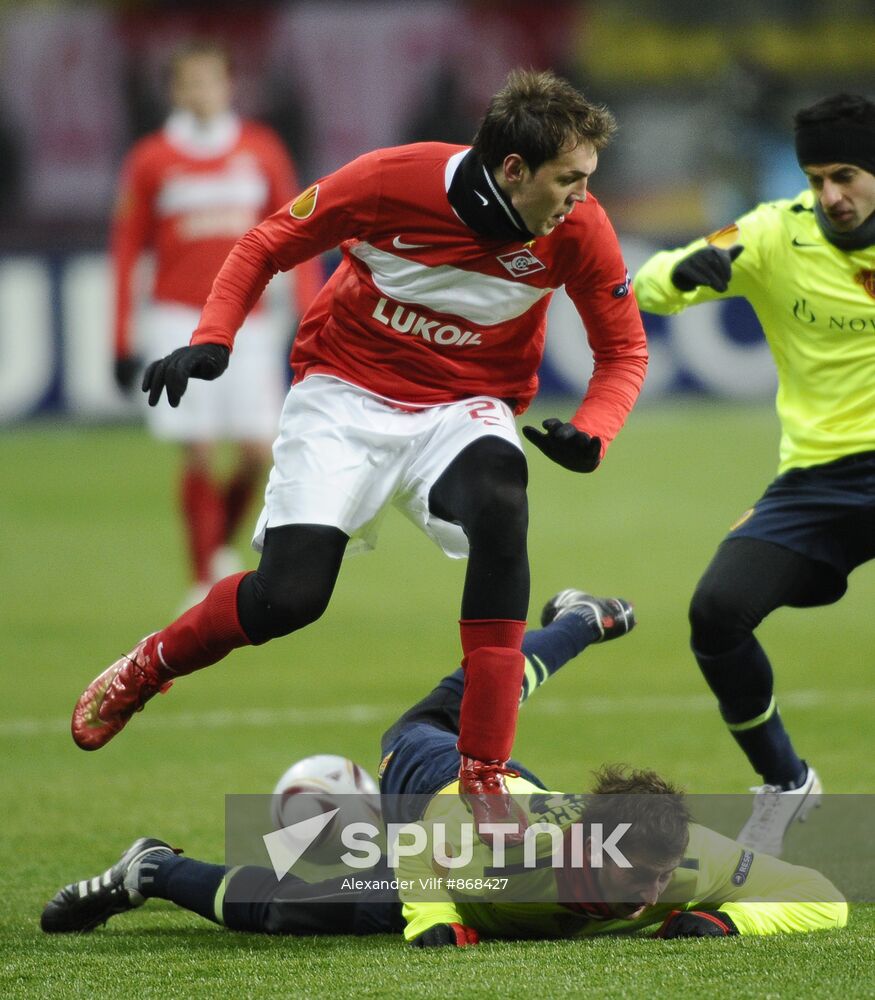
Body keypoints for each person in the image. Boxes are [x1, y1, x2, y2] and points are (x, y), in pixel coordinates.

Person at [72, 69, 649, 829]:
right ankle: (150, 665)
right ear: (513, 170)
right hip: (343, 396)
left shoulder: (579, 230)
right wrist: (213, 339)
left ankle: (481, 770)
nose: (581, 199)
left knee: (504, 504)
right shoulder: (391, 180)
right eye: (568, 180)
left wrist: (594, 432)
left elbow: (622, 354)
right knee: (289, 600)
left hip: (461, 411)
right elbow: (267, 242)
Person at [44, 590, 846, 942]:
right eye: (633, 877)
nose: (646, 896)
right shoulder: (513, 846)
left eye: (656, 879)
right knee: (436, 726)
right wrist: (435, 921)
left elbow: (821, 897)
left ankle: (153, 869)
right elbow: (434, 835)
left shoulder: (678, 862)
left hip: (495, 802)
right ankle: (152, 870)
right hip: (436, 787)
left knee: (313, 902)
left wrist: (730, 917)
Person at [632, 93, 875, 856]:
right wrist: (685, 270)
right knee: (716, 613)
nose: (830, 195)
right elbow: (648, 285)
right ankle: (784, 781)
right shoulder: (772, 231)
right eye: (815, 179)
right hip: (818, 482)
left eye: (844, 175)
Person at [111, 40, 323, 609]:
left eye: (210, 81)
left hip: (251, 321)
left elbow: (298, 228)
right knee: (198, 448)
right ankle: (202, 577)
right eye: (189, 83)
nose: (200, 93)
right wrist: (120, 335)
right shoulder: (152, 158)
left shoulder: (260, 149)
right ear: (175, 91)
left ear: (229, 86)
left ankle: (218, 547)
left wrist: (310, 303)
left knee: (258, 451)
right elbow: (128, 245)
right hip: (178, 318)